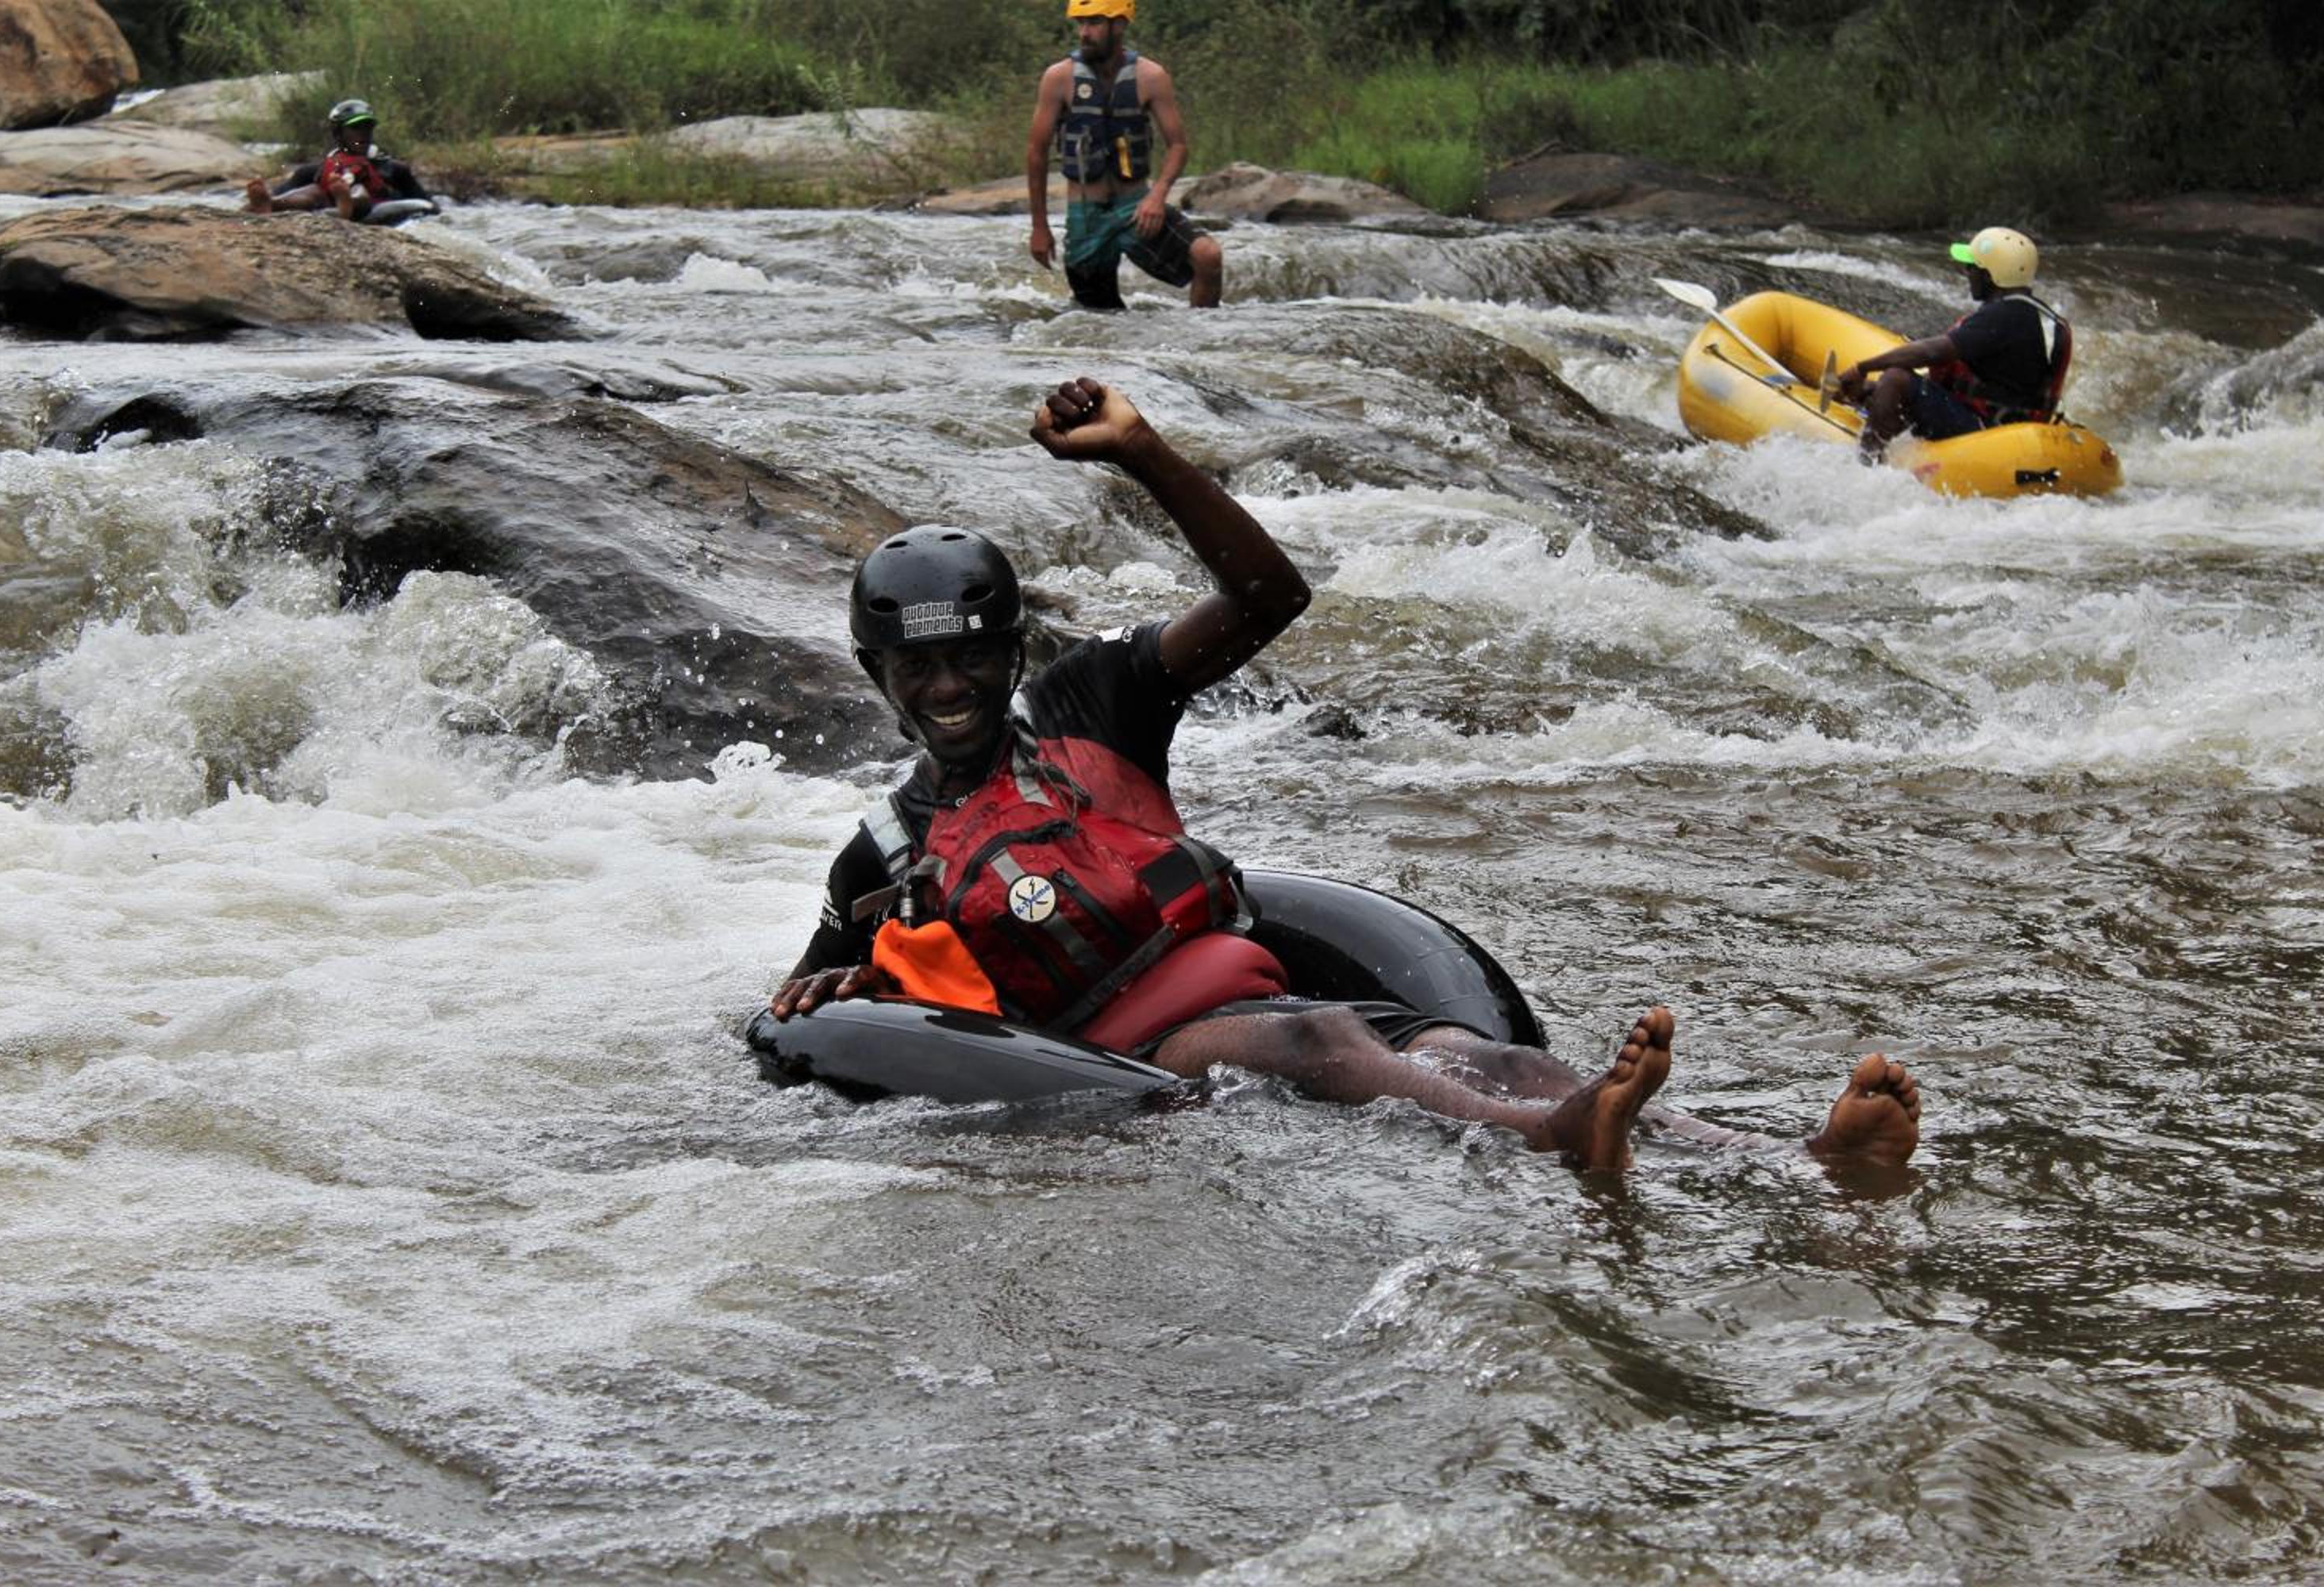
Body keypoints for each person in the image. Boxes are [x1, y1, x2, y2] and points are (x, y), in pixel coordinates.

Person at [769, 376, 1922, 1173]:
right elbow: (798, 1016)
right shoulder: (881, 855)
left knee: (1489, 1053)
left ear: (1013, 650)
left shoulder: (1095, 699)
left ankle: (1784, 1157)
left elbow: (1271, 598)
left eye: (972, 655)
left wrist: (1141, 453)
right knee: (1320, 1046)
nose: (949, 688)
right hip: (1139, 1049)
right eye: (918, 668)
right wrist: (832, 994)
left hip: (1255, 978)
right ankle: (1557, 1138)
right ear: (878, 673)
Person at [1025, 0, 1222, 311]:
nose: (1084, 32)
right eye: (1080, 23)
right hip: (1086, 217)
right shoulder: (1058, 78)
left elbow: (1178, 146)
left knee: (1207, 257)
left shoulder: (1152, 77)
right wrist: (1039, 227)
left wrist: (1157, 197)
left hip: (1137, 208)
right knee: (1101, 317)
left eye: (1094, 22)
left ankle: (1199, 346)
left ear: (1119, 24)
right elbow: (1036, 153)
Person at [1834, 227, 2072, 460]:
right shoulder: (2034, 315)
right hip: (2013, 422)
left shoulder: (2002, 316)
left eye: (1972, 267)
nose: (1967, 272)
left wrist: (1862, 368)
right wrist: (1872, 390)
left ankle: (1868, 461)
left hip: (1990, 433)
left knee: (1895, 377)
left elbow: (1932, 352)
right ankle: (1879, 412)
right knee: (1886, 388)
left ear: (1990, 276)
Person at [245, 99, 436, 222]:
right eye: (355, 128)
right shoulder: (314, 171)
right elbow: (289, 190)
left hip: (369, 204)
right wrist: (267, 199)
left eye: (367, 127)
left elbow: (432, 209)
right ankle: (274, 205)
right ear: (338, 133)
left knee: (358, 192)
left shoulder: (395, 169)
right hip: (329, 202)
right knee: (314, 192)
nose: (363, 134)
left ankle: (345, 205)